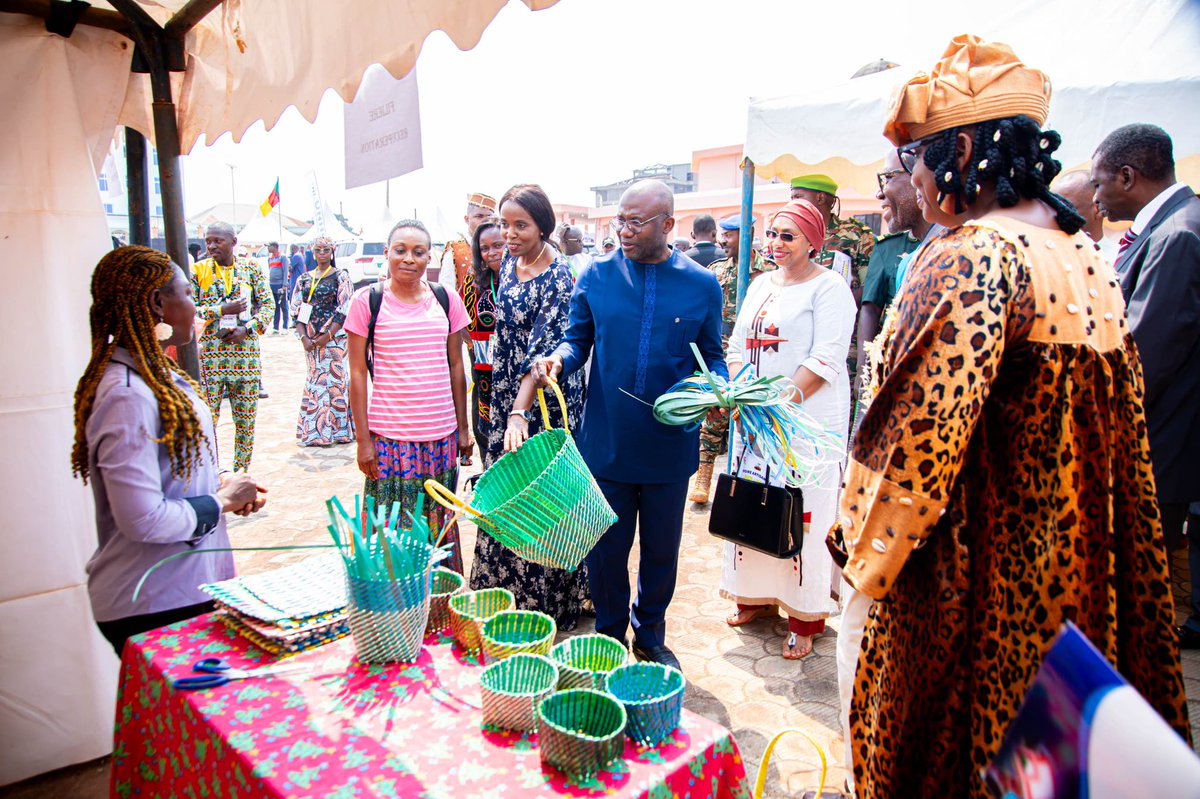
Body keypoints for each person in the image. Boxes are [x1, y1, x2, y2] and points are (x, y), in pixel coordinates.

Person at [830, 36, 1190, 796]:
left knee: (948, 766)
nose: (915, 185)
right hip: (1074, 595)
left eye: (917, 163)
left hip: (970, 607)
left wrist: (852, 553)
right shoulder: (1082, 255)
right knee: (1044, 773)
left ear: (961, 147)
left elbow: (912, 456)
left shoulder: (971, 257)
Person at [533, 179, 727, 670]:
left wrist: (719, 391)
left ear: (667, 225)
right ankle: (608, 637)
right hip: (607, 445)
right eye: (620, 219)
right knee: (606, 552)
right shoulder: (595, 276)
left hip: (670, 447)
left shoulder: (702, 285)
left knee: (661, 553)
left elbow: (713, 358)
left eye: (636, 222)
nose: (624, 230)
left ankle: (651, 636)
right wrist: (558, 360)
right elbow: (576, 341)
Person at [72, 246, 266, 655]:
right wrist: (220, 502)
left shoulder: (155, 374)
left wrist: (221, 483)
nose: (196, 305)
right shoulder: (126, 396)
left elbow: (173, 476)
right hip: (153, 599)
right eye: (189, 294)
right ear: (158, 303)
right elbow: (142, 518)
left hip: (185, 585)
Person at [721, 200, 855, 659]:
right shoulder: (759, 284)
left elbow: (826, 357)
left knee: (802, 511)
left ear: (813, 241)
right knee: (755, 502)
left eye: (788, 236)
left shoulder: (830, 288)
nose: (776, 244)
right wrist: (743, 391)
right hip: (758, 419)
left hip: (805, 422)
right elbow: (737, 345)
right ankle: (754, 599)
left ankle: (805, 615)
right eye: (773, 234)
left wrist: (777, 405)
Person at [1092, 122, 1200, 650]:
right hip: (1161, 438)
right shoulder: (1176, 225)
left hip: (1158, 445)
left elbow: (1143, 357)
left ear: (1128, 176)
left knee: (1133, 593)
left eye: (1099, 183)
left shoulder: (1178, 234)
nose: (1095, 197)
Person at [470, 185, 588, 628]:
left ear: (543, 226)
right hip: (507, 394)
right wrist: (502, 406)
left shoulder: (559, 276)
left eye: (521, 225)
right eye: (505, 224)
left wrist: (519, 412)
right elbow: (506, 341)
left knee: (541, 496)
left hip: (544, 400)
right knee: (507, 490)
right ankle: (503, 595)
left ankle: (548, 603)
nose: (510, 233)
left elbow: (541, 354)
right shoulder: (509, 267)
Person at [345, 219, 473, 574]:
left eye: (418, 252)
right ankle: (393, 610)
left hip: (440, 440)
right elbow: (357, 373)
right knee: (390, 528)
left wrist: (463, 429)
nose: (408, 259)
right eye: (400, 250)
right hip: (390, 441)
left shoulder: (445, 300)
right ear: (386, 254)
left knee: (437, 523)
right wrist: (363, 440)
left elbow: (455, 367)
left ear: (429, 257)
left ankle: (437, 606)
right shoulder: (366, 302)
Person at [689, 213, 776, 505]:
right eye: (723, 234)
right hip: (721, 355)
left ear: (748, 234)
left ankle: (751, 484)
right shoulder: (716, 272)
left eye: (731, 234)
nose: (723, 240)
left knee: (751, 422)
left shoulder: (769, 273)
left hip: (755, 357)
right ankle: (704, 475)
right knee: (712, 420)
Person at [191, 222, 274, 471]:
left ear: (234, 242)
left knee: (246, 422)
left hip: (246, 358)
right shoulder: (198, 270)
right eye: (208, 241)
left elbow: (268, 305)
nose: (212, 245)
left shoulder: (251, 269)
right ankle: (210, 475)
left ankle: (242, 474)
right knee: (207, 421)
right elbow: (189, 310)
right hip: (210, 359)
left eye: (218, 240)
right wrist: (220, 310)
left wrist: (246, 329)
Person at [789, 174, 875, 412]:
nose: (793, 202)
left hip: (842, 335)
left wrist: (835, 301)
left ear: (821, 198)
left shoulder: (856, 234)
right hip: (800, 329)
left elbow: (871, 286)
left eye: (798, 197)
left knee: (834, 392)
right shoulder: (793, 234)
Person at [857, 150, 931, 382]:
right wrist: (865, 369)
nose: (880, 193)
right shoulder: (909, 258)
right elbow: (871, 307)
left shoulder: (953, 254)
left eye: (888, 178)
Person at [289, 236, 355, 447]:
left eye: (326, 250)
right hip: (310, 339)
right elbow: (296, 309)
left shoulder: (340, 276)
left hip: (335, 340)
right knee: (315, 382)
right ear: (312, 252)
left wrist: (327, 336)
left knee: (335, 382)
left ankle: (338, 432)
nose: (322, 254)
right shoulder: (304, 279)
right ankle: (316, 432)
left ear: (332, 251)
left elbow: (345, 308)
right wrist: (304, 338)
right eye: (318, 250)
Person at [460, 220, 505, 452]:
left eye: (498, 245)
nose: (491, 253)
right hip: (485, 373)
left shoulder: (524, 277)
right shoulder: (474, 280)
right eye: (485, 248)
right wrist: (475, 346)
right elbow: (458, 319)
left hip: (516, 373)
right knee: (485, 430)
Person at [439, 192, 498, 298]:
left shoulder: (502, 247)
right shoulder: (455, 250)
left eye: (489, 216)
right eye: (479, 216)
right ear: (467, 219)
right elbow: (446, 291)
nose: (484, 220)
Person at [1052, 170, 1116, 260]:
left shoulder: (1119, 262)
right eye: (1051, 207)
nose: (1054, 216)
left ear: (1098, 208)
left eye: (1067, 208)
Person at [267, 242, 289, 333]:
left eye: (269, 246)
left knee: (283, 306)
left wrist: (284, 285)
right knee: (275, 307)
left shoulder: (283, 257)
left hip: (280, 285)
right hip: (272, 285)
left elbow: (285, 271)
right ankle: (275, 328)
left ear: (275, 247)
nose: (268, 248)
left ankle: (285, 327)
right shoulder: (270, 258)